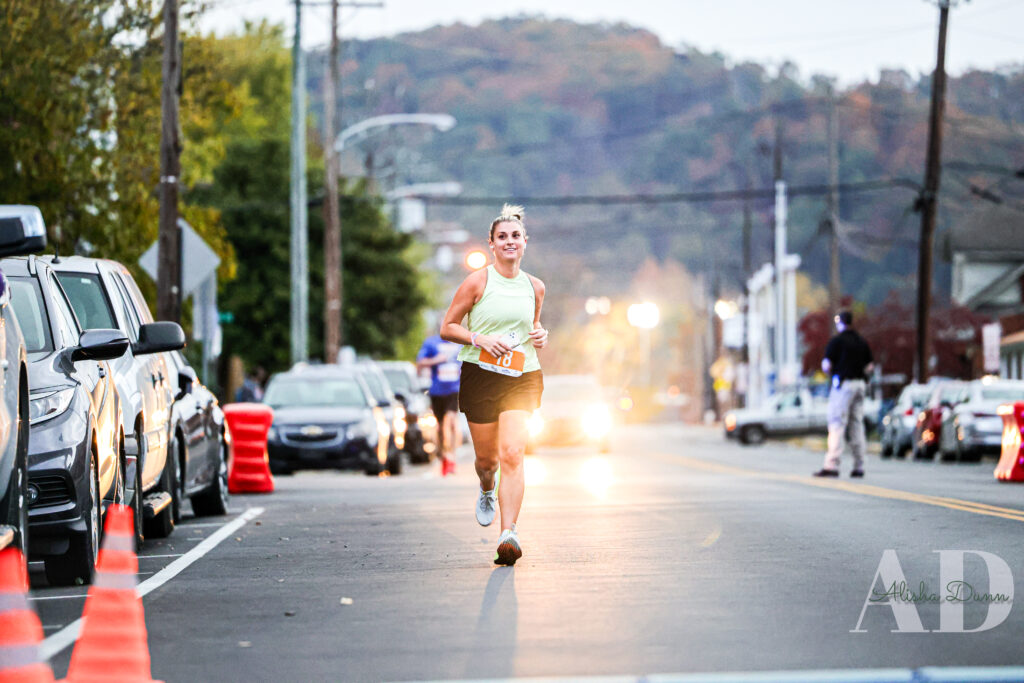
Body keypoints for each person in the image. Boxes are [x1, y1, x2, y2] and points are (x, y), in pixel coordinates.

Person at [440, 204, 548, 566]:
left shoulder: (536, 286)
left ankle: (509, 533)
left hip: (522, 375)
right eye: (502, 237)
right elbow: (447, 327)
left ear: (525, 242)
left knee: (513, 453)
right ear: (491, 244)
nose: (509, 242)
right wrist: (480, 339)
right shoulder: (478, 282)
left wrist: (540, 334)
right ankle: (487, 487)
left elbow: (531, 328)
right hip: (481, 375)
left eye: (515, 236)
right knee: (488, 460)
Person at [814, 310, 874, 478]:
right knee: (857, 424)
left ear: (839, 322)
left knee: (837, 423)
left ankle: (832, 464)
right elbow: (870, 367)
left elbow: (826, 365)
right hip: (861, 385)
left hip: (844, 384)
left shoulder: (837, 341)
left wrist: (833, 373)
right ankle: (859, 465)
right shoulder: (862, 341)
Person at [416, 333, 463, 475]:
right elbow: (420, 362)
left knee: (451, 422)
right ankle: (444, 457)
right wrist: (436, 360)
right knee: (442, 427)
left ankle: (451, 458)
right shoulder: (432, 343)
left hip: (454, 390)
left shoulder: (460, 343)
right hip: (437, 391)